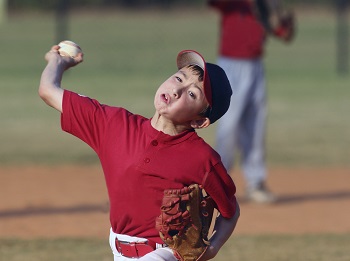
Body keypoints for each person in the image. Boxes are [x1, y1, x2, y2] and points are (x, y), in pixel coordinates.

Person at [39, 46, 240, 260]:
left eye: (192, 93)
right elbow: (48, 91)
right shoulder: (114, 125)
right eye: (179, 78)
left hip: (165, 253)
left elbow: (230, 209)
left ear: (199, 121)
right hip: (119, 250)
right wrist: (56, 62)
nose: (176, 90)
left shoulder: (202, 158)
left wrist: (213, 248)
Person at [208, 0, 295, 203]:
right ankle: (218, 183)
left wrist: (284, 22)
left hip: (255, 66)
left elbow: (282, 33)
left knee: (255, 125)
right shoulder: (236, 3)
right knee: (228, 127)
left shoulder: (264, 4)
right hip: (231, 65)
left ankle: (255, 182)